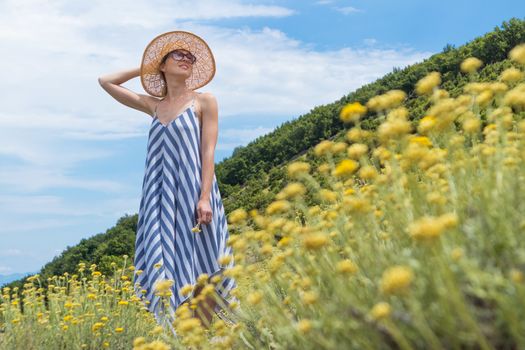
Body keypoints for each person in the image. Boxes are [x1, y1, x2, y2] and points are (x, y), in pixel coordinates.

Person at [98, 30, 239, 334]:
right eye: (179, 55)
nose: (187, 58)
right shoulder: (154, 105)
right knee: (167, 266)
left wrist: (204, 197)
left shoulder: (205, 101)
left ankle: (203, 334)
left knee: (204, 264)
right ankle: (180, 335)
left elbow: (208, 151)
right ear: (163, 65)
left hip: (194, 193)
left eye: (191, 56)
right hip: (160, 201)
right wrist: (146, 66)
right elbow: (106, 81)